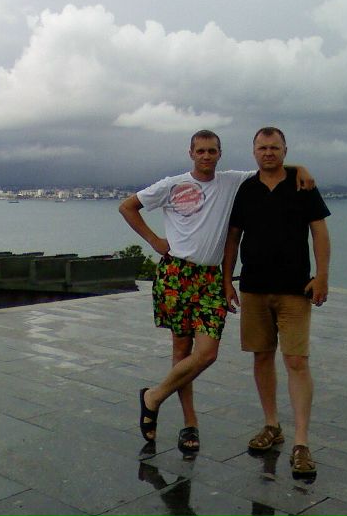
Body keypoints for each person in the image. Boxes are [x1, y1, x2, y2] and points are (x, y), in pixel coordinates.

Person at [119, 129, 314, 454]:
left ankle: (153, 396)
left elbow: (269, 165)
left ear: (220, 154)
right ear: (191, 153)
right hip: (176, 274)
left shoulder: (230, 182)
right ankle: (189, 423)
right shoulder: (171, 184)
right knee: (182, 350)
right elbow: (128, 207)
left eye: (212, 151)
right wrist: (154, 241)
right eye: (201, 151)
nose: (206, 156)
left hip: (210, 278)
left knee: (207, 353)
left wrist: (300, 168)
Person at [222, 126, 330, 478]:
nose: (268, 153)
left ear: (285, 150)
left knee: (296, 360)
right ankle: (272, 424)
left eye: (274, 147)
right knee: (262, 355)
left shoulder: (302, 185)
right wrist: (227, 280)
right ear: (253, 151)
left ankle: (301, 442)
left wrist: (322, 276)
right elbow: (233, 237)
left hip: (294, 289)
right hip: (254, 287)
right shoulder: (246, 189)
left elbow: (319, 232)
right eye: (262, 148)